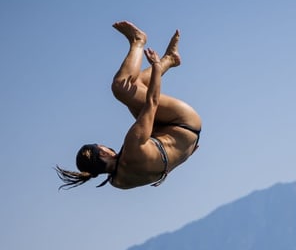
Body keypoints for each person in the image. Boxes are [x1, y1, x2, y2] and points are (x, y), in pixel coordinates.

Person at [56, 21, 202, 189]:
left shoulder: (119, 182)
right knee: (121, 88)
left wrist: (185, 154)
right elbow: (152, 102)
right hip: (182, 121)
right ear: (102, 153)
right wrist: (155, 66)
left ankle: (170, 59)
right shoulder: (132, 146)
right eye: (101, 146)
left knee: (134, 87)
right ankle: (138, 41)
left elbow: (163, 169)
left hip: (184, 141)